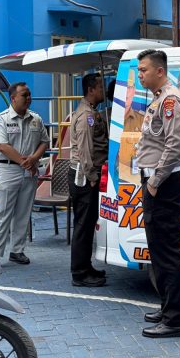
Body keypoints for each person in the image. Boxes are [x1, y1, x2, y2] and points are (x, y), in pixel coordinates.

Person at [135, 48, 180, 338]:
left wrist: (154, 181)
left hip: (165, 183)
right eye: (139, 70)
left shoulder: (170, 100)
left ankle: (176, 320)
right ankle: (168, 306)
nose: (140, 75)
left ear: (160, 71)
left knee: (167, 251)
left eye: (143, 70)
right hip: (157, 181)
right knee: (158, 249)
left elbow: (174, 145)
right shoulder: (159, 99)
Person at [0, 82, 50, 265]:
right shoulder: (1, 119)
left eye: (29, 94)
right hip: (7, 170)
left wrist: (34, 158)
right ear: (13, 98)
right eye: (24, 95)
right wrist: (26, 162)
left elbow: (44, 141)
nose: (28, 98)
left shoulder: (36, 119)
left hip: (28, 172)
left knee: (23, 213)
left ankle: (17, 250)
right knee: (2, 213)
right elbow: (2, 145)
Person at [68, 72, 109, 287]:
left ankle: (85, 266)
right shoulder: (86, 116)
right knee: (83, 225)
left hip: (86, 175)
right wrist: (92, 177)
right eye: (101, 87)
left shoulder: (91, 112)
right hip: (84, 177)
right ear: (91, 90)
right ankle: (79, 273)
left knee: (87, 222)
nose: (104, 91)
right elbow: (85, 150)